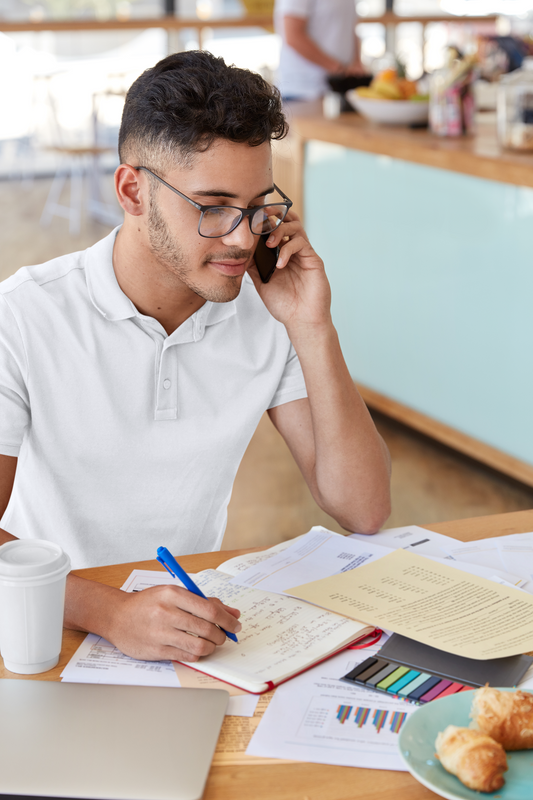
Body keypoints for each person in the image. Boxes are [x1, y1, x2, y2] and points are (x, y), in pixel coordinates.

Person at [0, 51, 390, 664]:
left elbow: (362, 508)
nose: (242, 237)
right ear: (134, 191)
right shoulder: (22, 317)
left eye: (258, 204)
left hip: (187, 628)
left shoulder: (268, 312)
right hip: (45, 629)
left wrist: (313, 325)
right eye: (212, 206)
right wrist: (108, 611)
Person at [274, 0, 364, 101]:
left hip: (340, 88)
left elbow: (348, 28)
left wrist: (357, 62)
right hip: (302, 91)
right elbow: (292, 36)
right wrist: (339, 69)